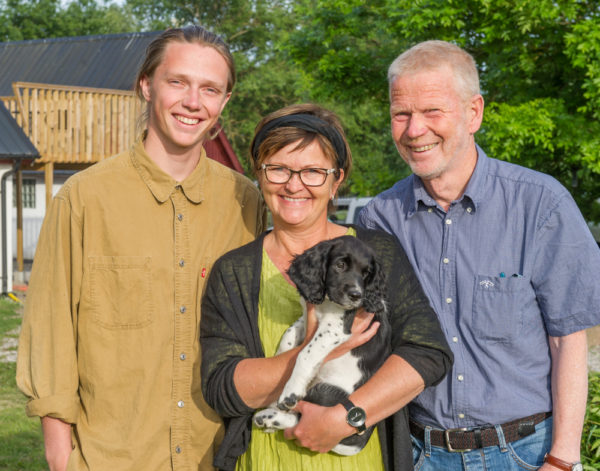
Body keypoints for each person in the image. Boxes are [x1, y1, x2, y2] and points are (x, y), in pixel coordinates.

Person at [16, 25, 266, 471]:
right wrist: (60, 456)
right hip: (113, 457)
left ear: (224, 102)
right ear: (146, 86)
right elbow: (50, 332)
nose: (193, 102)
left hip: (219, 456)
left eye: (210, 89)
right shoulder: (83, 199)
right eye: (178, 82)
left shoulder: (246, 203)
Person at [358, 40, 600, 471]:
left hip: (526, 454)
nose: (415, 130)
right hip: (420, 455)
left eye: (432, 111)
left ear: (474, 113)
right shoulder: (380, 219)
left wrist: (563, 459)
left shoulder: (541, 205)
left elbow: (567, 340)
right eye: (402, 114)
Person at [200, 103, 453, 471]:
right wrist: (316, 350)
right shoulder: (235, 270)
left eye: (313, 172)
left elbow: (428, 352)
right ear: (259, 174)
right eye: (278, 169)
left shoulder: (375, 253)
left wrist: (347, 417)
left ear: (337, 180)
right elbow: (222, 386)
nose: (294, 184)